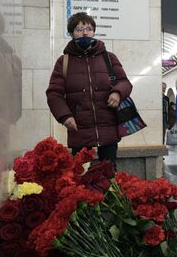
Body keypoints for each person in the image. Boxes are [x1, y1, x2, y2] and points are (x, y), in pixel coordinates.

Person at [46, 12, 132, 165]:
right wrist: (65, 116)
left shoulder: (108, 57)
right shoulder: (64, 61)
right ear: (71, 33)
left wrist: (118, 93)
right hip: (79, 128)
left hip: (108, 126)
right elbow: (54, 93)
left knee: (109, 174)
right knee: (80, 175)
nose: (85, 32)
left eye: (89, 28)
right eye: (79, 29)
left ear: (94, 31)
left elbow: (124, 82)